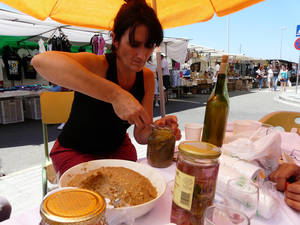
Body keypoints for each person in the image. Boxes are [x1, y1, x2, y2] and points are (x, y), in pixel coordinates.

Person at [31, 0, 181, 176]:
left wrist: (158, 130)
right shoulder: (97, 65)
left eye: (149, 46)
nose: (142, 55)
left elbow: (141, 135)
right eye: (134, 44)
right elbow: (41, 62)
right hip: (76, 151)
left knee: (138, 189)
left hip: (118, 149)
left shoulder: (147, 78)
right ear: (116, 40)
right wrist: (116, 95)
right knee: (97, 195)